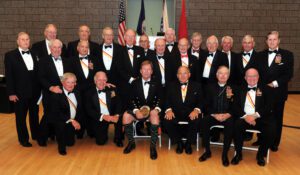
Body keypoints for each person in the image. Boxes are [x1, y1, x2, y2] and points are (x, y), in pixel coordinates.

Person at [257, 31, 294, 152]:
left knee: (277, 118)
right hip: (262, 93)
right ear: (266, 41)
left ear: (279, 41)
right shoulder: (260, 55)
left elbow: (288, 74)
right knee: (261, 116)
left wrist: (273, 84)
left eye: (274, 39)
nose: (272, 42)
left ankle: (274, 142)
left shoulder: (287, 55)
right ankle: (261, 139)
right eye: (269, 39)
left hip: (278, 93)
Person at [231, 68, 275, 166]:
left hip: (260, 117)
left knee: (271, 130)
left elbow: (269, 106)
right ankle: (238, 153)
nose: (252, 78)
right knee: (236, 125)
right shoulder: (239, 89)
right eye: (249, 76)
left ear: (258, 77)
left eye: (254, 76)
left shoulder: (266, 89)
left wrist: (254, 116)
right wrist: (246, 116)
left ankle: (261, 154)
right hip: (244, 117)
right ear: (245, 78)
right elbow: (235, 106)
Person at [4, 32, 41, 147]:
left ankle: (36, 135)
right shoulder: (10, 55)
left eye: (27, 39)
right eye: (23, 39)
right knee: (21, 117)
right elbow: (9, 75)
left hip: (34, 92)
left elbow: (38, 73)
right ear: (18, 41)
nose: (25, 41)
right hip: (19, 93)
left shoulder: (35, 53)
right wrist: (11, 93)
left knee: (34, 115)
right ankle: (23, 139)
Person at [122, 60, 162, 160]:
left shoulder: (157, 82)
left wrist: (156, 109)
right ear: (140, 71)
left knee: (155, 115)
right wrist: (136, 111)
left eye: (149, 69)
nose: (146, 71)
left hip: (151, 111)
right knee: (126, 116)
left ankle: (152, 147)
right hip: (138, 110)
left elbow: (162, 98)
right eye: (144, 69)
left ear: (152, 71)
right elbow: (130, 99)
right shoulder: (134, 83)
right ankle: (131, 143)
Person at [38, 39, 72, 146]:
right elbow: (41, 78)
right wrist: (51, 87)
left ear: (61, 49)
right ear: (50, 48)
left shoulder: (67, 61)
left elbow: (69, 76)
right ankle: (42, 138)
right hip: (50, 94)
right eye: (54, 47)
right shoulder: (43, 61)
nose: (57, 49)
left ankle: (59, 136)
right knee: (49, 116)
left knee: (62, 115)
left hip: (64, 94)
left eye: (59, 47)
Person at [199, 66, 235, 167]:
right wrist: (215, 114)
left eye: (225, 73)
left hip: (227, 116)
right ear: (216, 75)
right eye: (220, 73)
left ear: (228, 75)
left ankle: (224, 154)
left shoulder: (234, 88)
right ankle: (207, 151)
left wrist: (227, 114)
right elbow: (205, 104)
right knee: (204, 121)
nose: (223, 76)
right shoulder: (209, 87)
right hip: (214, 115)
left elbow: (237, 106)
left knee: (231, 124)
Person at [164, 66, 203, 155]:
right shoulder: (171, 85)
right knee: (167, 120)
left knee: (197, 119)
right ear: (177, 75)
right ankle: (178, 142)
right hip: (175, 112)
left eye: (185, 73)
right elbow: (166, 100)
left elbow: (201, 101)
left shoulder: (197, 85)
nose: (182, 75)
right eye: (180, 73)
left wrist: (196, 110)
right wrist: (168, 110)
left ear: (189, 75)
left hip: (191, 112)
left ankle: (189, 143)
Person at [69, 40, 99, 138]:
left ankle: (91, 131)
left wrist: (93, 69)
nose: (84, 49)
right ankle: (79, 132)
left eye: (86, 47)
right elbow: (70, 76)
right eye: (82, 47)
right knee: (79, 111)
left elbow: (99, 74)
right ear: (78, 48)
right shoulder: (71, 60)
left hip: (91, 90)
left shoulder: (94, 59)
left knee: (91, 110)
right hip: (77, 90)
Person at [85, 72, 123, 147]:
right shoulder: (89, 93)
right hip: (100, 117)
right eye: (99, 80)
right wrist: (103, 116)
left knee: (120, 117)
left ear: (106, 80)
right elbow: (89, 110)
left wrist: (116, 115)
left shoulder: (112, 89)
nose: (102, 82)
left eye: (104, 80)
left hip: (112, 114)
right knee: (101, 142)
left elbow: (119, 103)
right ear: (95, 81)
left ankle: (118, 138)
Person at [48, 73, 81, 155]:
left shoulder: (77, 92)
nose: (71, 85)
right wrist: (71, 121)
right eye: (68, 82)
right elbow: (56, 112)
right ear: (62, 82)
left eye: (73, 82)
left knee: (70, 143)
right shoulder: (56, 94)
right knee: (60, 126)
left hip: (71, 119)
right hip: (60, 119)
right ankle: (61, 147)